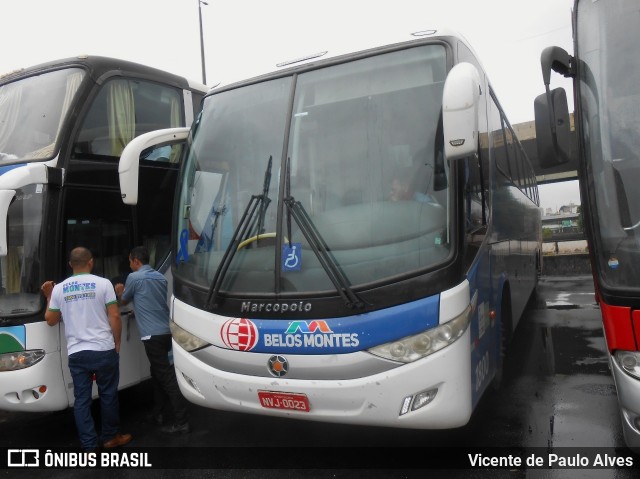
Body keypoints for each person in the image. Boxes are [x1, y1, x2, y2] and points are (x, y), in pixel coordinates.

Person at [41, 247, 132, 451]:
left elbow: (51, 320)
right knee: (108, 394)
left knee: (81, 400)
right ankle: (110, 437)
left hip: (77, 353)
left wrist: (49, 296)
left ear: (70, 265)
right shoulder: (103, 284)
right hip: (103, 349)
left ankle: (89, 445)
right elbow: (115, 316)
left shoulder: (59, 289)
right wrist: (116, 341)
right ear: (91, 262)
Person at [114, 246, 190, 434]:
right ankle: (158, 412)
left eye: (130, 261)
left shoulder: (134, 278)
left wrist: (119, 291)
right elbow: (150, 300)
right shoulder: (160, 277)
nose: (130, 265)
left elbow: (123, 301)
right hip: (165, 331)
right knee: (157, 373)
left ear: (136, 261)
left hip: (151, 335)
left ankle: (182, 421)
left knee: (166, 377)